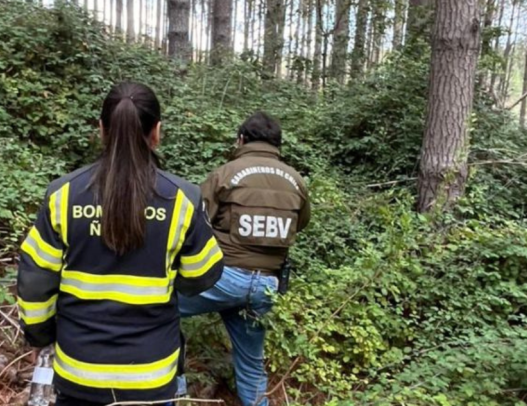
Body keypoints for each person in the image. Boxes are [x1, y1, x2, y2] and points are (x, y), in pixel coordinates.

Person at [16, 82, 224, 406]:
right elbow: (205, 273)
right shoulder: (182, 199)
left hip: (78, 372)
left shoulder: (63, 195)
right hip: (151, 376)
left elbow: (34, 282)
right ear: (157, 131)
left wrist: (42, 335)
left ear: (101, 129)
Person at [178, 111, 311, 406]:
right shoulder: (297, 181)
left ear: (241, 139)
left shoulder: (225, 174)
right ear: (278, 144)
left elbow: (193, 222)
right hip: (267, 286)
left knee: (160, 307)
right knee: (251, 365)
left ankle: (173, 393)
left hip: (223, 278)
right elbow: (301, 224)